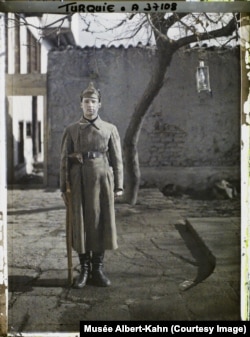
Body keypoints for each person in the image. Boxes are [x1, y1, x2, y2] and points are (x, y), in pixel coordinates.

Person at [60, 82, 124, 288]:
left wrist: (119, 186)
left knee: (99, 222)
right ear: (81, 105)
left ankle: (98, 268)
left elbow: (117, 160)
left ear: (99, 105)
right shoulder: (70, 130)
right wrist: (63, 187)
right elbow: (63, 160)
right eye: (86, 102)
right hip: (78, 182)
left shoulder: (109, 129)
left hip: (102, 180)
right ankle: (84, 270)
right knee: (79, 222)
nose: (90, 105)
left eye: (93, 102)